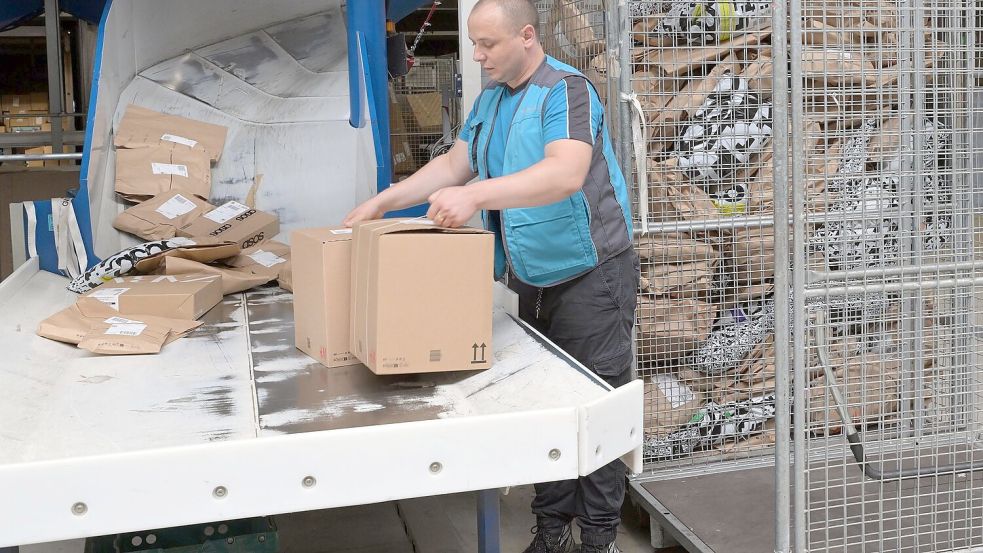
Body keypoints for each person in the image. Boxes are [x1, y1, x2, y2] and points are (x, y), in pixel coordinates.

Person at [344, 1, 638, 551]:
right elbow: (456, 164)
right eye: (474, 44)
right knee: (546, 410)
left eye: (487, 45)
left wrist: (474, 195)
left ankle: (598, 540)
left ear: (526, 37)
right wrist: (384, 201)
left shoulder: (567, 92)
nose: (476, 56)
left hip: (591, 276)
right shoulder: (490, 101)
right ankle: (551, 535)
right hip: (532, 277)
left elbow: (565, 171)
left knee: (596, 408)